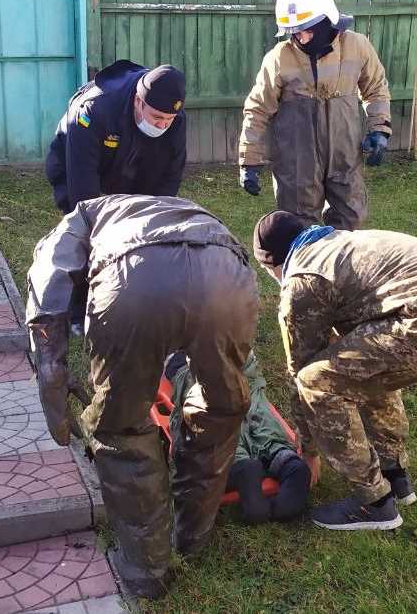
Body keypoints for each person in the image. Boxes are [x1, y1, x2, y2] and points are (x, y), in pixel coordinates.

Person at [26, 195, 258, 598]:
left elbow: (51, 275)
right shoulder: (186, 207)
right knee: (220, 408)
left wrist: (51, 367)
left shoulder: (82, 214)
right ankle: (193, 536)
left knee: (121, 428)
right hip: (227, 279)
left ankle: (146, 570)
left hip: (132, 282)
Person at [252, 211, 417, 531]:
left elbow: (300, 369)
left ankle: (374, 504)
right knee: (359, 367)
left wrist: (307, 450)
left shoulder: (302, 278)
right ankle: (394, 476)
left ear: (272, 263)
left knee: (317, 382)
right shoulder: (337, 242)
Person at [238, 0, 392, 230]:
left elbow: (376, 89)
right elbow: (257, 109)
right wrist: (248, 160)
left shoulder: (357, 47)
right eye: (294, 32)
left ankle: (342, 270)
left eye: (307, 29)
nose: (301, 38)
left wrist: (380, 130)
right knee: (299, 226)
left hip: (345, 157)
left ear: (326, 20)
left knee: (351, 221)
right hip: (297, 162)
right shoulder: (279, 58)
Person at [165, 351, 312, 524]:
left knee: (212, 407)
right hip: (236, 353)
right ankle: (284, 458)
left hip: (192, 360)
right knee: (255, 405)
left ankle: (240, 464)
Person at [44, 61, 188, 214]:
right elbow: (82, 181)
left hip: (134, 159)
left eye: (169, 119)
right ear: (138, 101)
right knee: (80, 219)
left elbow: (170, 175)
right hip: (76, 150)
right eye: (157, 117)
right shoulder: (95, 109)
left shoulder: (176, 119)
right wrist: (90, 226)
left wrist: (155, 216)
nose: (162, 125)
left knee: (144, 216)